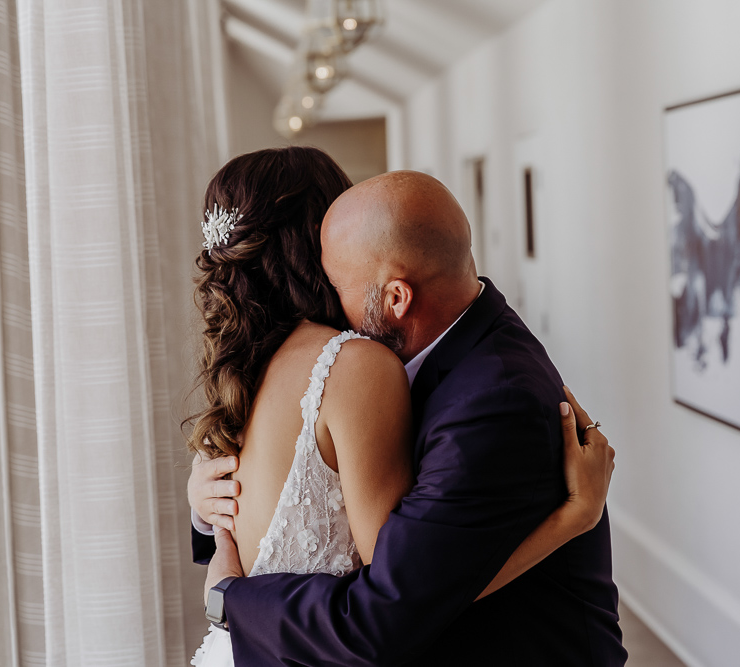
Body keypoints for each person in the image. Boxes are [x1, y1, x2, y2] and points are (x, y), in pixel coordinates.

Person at [188, 147, 623, 666]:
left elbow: (386, 614)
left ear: (396, 297)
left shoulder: (489, 398)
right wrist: (204, 509)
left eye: (337, 281)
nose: (328, 298)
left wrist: (229, 600)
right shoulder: (339, 365)